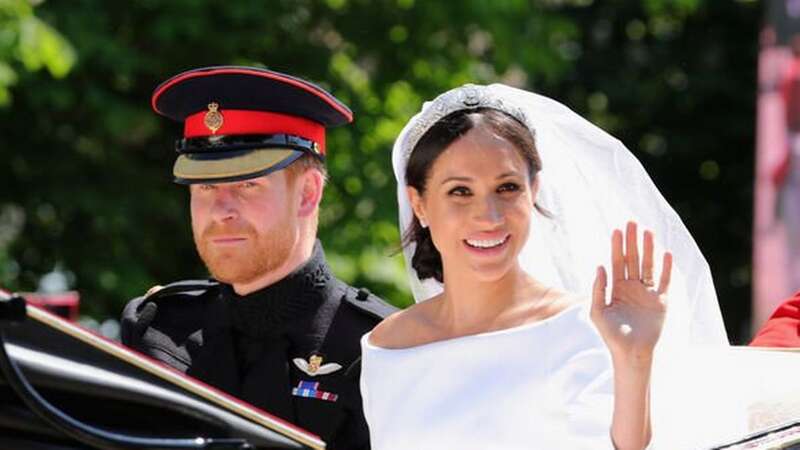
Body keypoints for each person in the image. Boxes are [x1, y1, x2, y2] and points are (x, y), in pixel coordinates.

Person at [359, 84, 735, 449]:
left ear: (534, 190)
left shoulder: (593, 327)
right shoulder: (387, 347)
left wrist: (634, 360)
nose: (488, 217)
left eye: (507, 188)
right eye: (460, 191)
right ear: (420, 204)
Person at [120, 66, 395, 450]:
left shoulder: (379, 349)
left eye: (247, 184)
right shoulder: (158, 329)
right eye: (205, 186)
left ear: (307, 193)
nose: (220, 211)